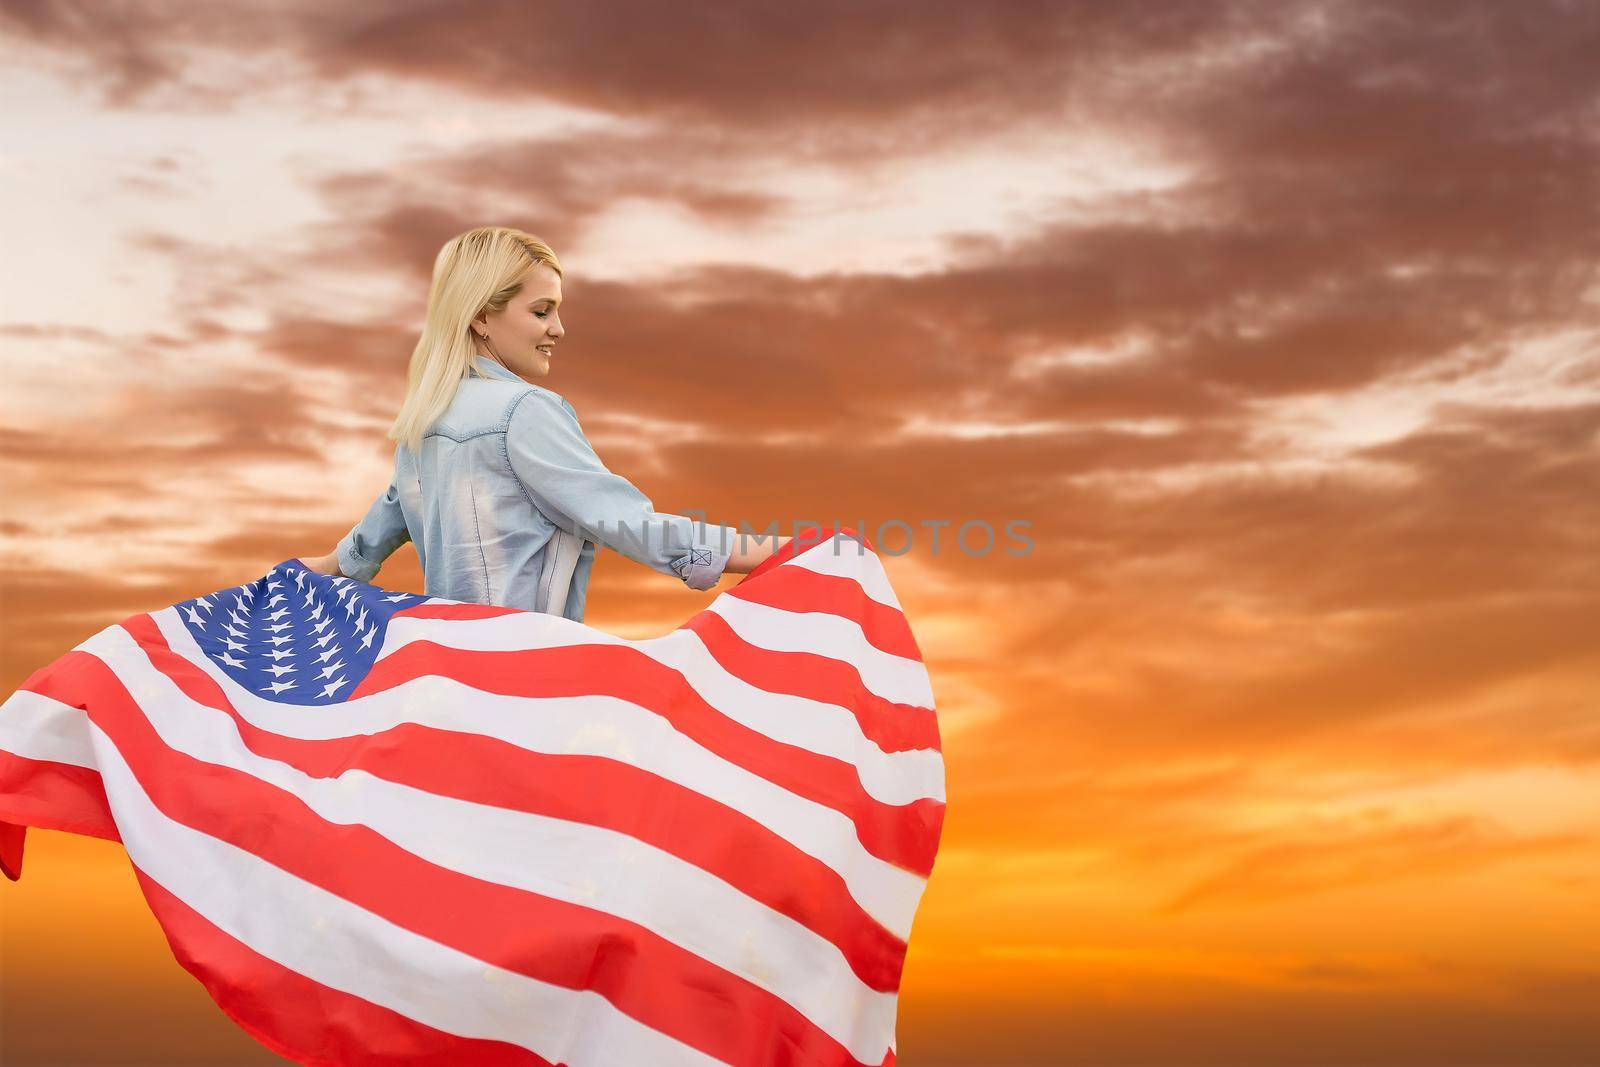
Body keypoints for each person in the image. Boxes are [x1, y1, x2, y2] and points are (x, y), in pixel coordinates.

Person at [298, 226, 790, 621]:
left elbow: (386, 519)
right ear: (480, 317)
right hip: (523, 676)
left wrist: (328, 567)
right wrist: (784, 550)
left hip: (447, 675)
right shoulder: (525, 411)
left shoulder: (423, 420)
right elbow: (627, 522)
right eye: (541, 311)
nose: (558, 328)